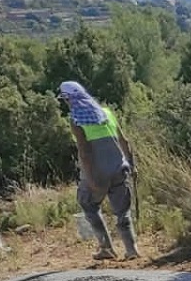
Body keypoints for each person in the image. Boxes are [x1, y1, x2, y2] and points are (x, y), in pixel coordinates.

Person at [58, 81, 139, 260]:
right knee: (122, 211)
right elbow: (124, 141)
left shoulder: (76, 119)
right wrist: (132, 166)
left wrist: (90, 178)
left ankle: (106, 248)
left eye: (65, 99)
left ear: (69, 99)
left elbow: (85, 152)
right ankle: (131, 250)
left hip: (98, 173)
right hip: (119, 169)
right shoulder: (107, 113)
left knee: (88, 204)